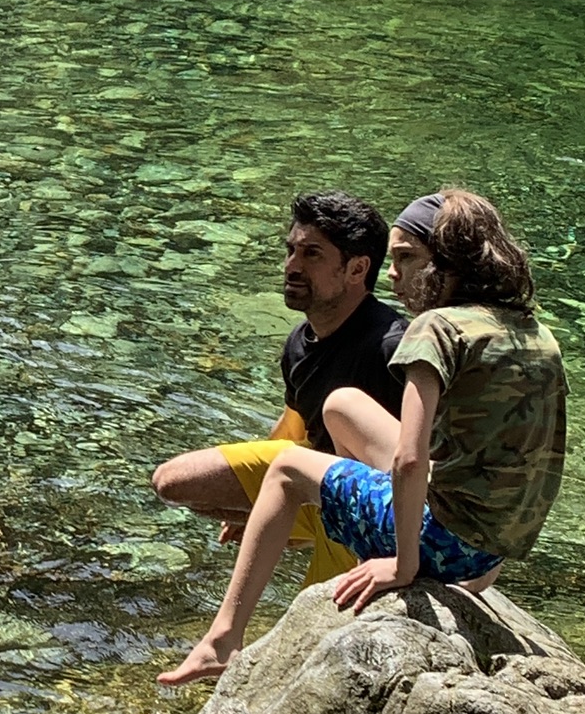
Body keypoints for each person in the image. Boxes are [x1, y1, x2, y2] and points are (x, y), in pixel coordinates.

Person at [159, 189, 568, 687]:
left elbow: (410, 461)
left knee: (287, 471)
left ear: (446, 263)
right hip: (487, 550)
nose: (391, 273)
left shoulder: (434, 329)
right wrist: (490, 559)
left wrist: (404, 565)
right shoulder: (535, 334)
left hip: (436, 544)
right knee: (341, 404)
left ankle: (220, 642)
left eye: (405, 258)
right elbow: (540, 459)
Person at [153, 192, 404, 594]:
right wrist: (266, 503)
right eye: (291, 251)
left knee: (321, 615)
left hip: (367, 508)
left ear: (357, 269)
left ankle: (325, 539)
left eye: (312, 255)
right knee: (174, 481)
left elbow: (426, 458)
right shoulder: (299, 344)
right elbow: (292, 431)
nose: (291, 267)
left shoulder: (391, 347)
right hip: (313, 485)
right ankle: (303, 526)